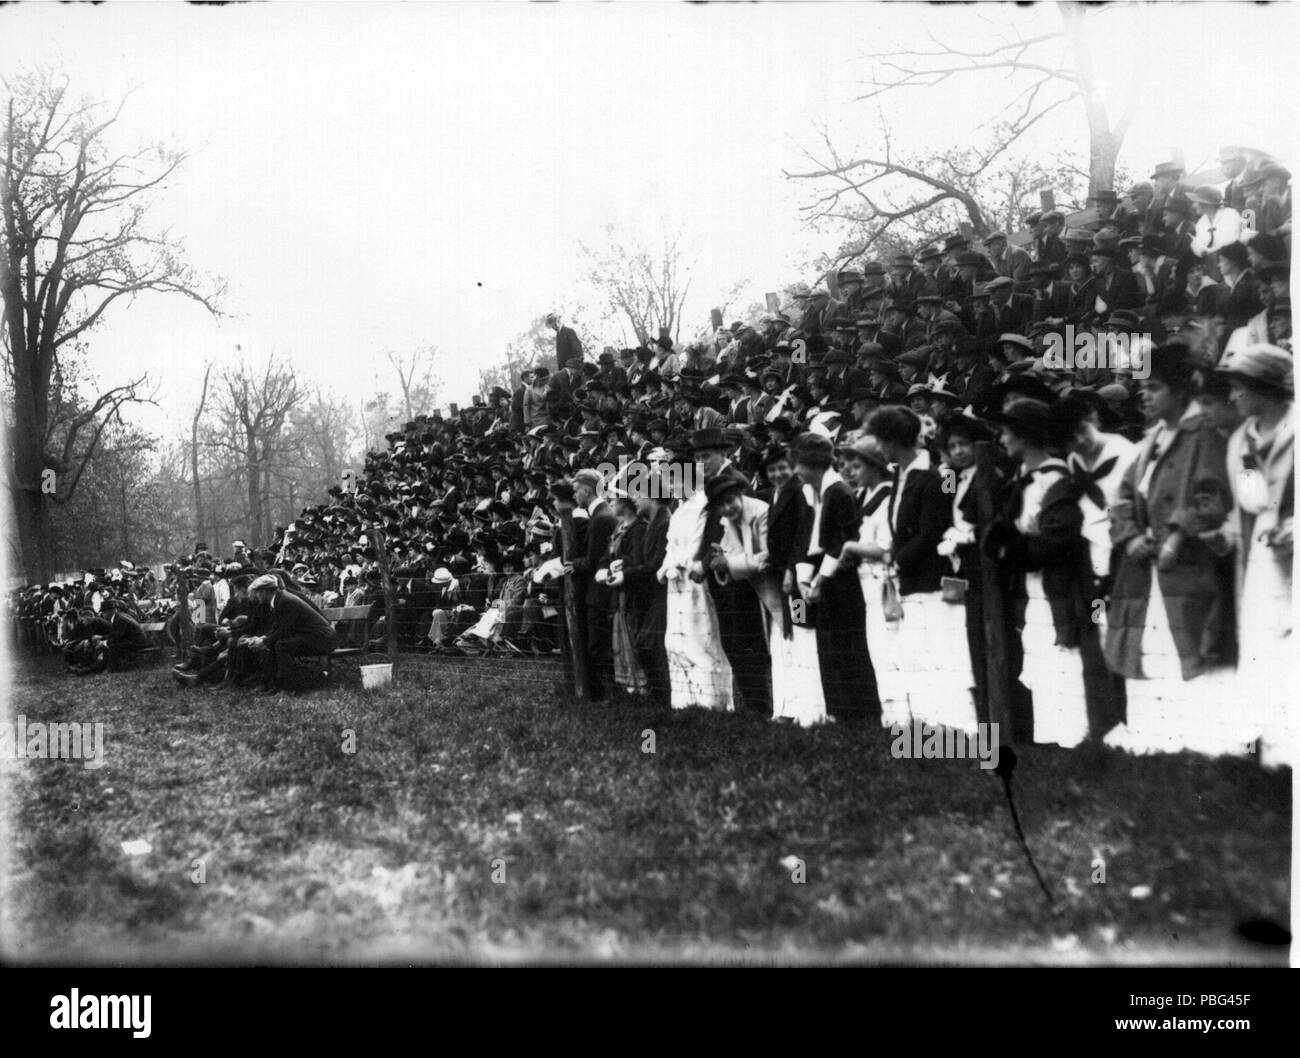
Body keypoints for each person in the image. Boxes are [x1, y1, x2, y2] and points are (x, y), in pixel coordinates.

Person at [1103, 344, 1239, 756]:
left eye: (1155, 388)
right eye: (1142, 388)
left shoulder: (1205, 436)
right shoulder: (1151, 440)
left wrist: (1178, 534)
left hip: (1187, 565)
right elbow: (1122, 498)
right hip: (1147, 568)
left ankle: (1199, 747)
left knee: (1192, 646)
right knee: (1148, 648)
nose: (1145, 396)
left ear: (1181, 392)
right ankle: (1154, 744)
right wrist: (1130, 536)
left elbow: (1214, 496)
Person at [1213, 345, 1294, 767]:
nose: (1232, 397)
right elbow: (1247, 502)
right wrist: (1225, 536)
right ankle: (1271, 757)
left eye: (1239, 386)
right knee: (1262, 646)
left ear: (1263, 386)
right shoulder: (1240, 442)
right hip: (1262, 560)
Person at [788, 432, 880, 723]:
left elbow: (842, 539)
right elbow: (804, 536)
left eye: (799, 465)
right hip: (818, 578)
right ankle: (838, 712)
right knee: (827, 647)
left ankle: (859, 715)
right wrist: (804, 579)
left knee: (846, 646)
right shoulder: (810, 493)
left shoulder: (838, 492)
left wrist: (820, 580)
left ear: (812, 464)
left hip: (840, 580)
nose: (796, 471)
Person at [657, 460, 733, 711]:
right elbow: (671, 545)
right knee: (675, 641)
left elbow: (697, 545)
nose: (671, 486)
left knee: (700, 637)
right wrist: (666, 566)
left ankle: (712, 701)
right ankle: (684, 700)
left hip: (694, 581)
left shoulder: (703, 506)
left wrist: (678, 564)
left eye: (675, 480)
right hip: (674, 583)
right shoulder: (678, 510)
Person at [704, 475, 775, 717]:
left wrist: (728, 562)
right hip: (749, 592)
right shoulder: (727, 520)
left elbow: (767, 557)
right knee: (739, 646)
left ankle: (782, 709)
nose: (727, 508)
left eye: (730, 500)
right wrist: (720, 563)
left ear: (740, 493)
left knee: (787, 649)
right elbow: (728, 558)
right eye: (721, 505)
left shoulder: (761, 512)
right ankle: (758, 708)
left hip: (779, 592)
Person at [243, 574, 339, 694]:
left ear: (264, 592)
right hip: (314, 636)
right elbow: (279, 627)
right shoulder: (280, 598)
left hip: (323, 639)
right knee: (276, 644)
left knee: (281, 645)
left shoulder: (285, 601)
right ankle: (272, 684)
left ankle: (288, 687)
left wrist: (263, 641)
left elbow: (284, 630)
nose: (256, 597)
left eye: (257, 593)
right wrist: (263, 638)